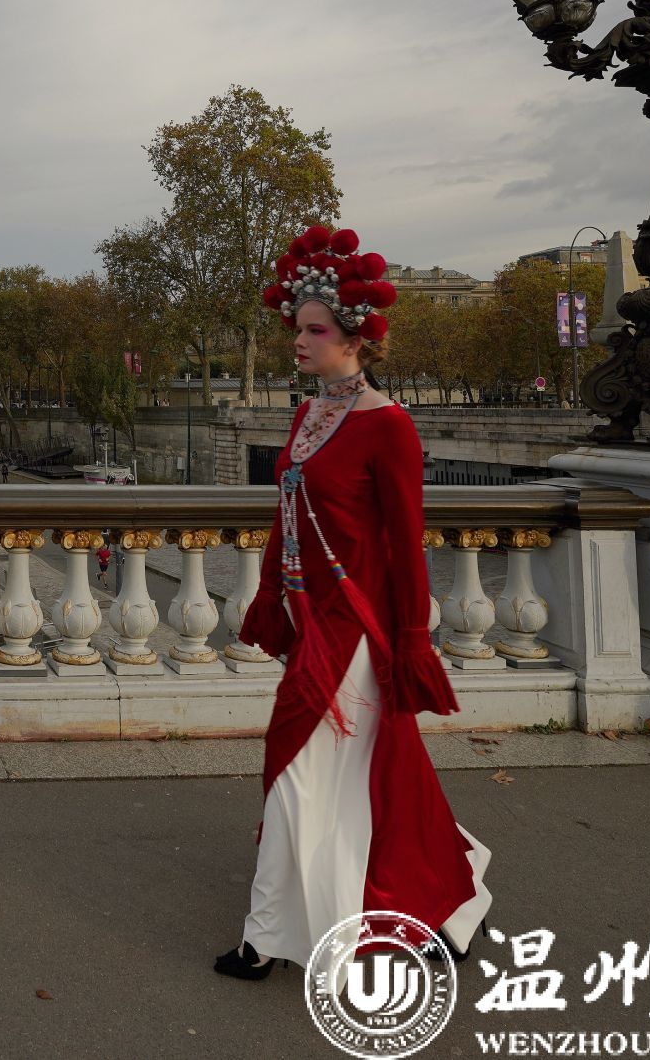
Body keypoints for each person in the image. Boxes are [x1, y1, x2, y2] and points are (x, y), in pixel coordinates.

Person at [216, 225, 490, 981]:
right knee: (358, 772)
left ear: (355, 338)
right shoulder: (307, 416)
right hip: (311, 621)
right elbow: (286, 515)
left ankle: (266, 937)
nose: (298, 341)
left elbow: (406, 544)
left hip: (357, 633)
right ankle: (436, 898)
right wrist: (271, 594)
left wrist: (411, 642)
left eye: (315, 330)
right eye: (298, 327)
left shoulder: (388, 426)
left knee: (296, 766)